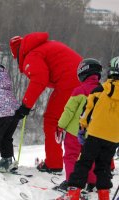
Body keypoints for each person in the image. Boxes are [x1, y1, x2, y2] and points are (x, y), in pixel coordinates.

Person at [9, 32, 82, 173]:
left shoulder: (32, 55)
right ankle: (105, 165)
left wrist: (25, 106)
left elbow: (39, 80)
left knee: (52, 120)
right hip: (85, 80)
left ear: (18, 54)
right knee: (88, 120)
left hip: (69, 83)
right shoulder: (45, 47)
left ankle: (53, 164)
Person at [60, 56, 119, 200]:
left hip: (95, 134)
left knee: (83, 163)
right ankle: (103, 196)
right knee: (103, 167)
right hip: (113, 138)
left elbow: (87, 111)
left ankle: (73, 193)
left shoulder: (100, 90)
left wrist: (82, 128)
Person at [54, 58, 102, 193]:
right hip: (94, 133)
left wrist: (60, 126)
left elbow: (69, 111)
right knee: (91, 157)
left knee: (71, 156)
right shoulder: (103, 91)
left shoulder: (79, 91)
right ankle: (92, 182)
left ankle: (71, 182)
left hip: (75, 132)